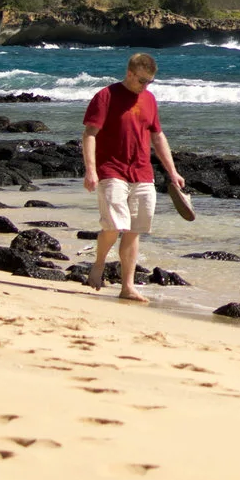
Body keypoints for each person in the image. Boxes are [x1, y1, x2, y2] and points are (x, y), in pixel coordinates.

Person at [81, 51, 185, 303]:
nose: (145, 86)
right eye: (142, 80)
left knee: (134, 230)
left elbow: (157, 136)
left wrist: (172, 171)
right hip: (111, 170)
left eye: (150, 81)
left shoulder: (149, 99)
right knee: (114, 225)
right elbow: (90, 134)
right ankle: (99, 262)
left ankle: (127, 286)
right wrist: (91, 170)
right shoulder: (106, 96)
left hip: (142, 172)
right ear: (129, 73)